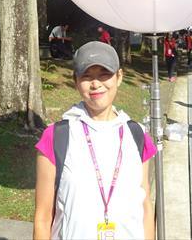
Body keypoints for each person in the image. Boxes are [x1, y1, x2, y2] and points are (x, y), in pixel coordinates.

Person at [33, 41, 156, 239]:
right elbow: (42, 217)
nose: (96, 84)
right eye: (87, 76)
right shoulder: (56, 136)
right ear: (75, 81)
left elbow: (145, 207)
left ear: (119, 77)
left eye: (104, 74)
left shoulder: (137, 134)